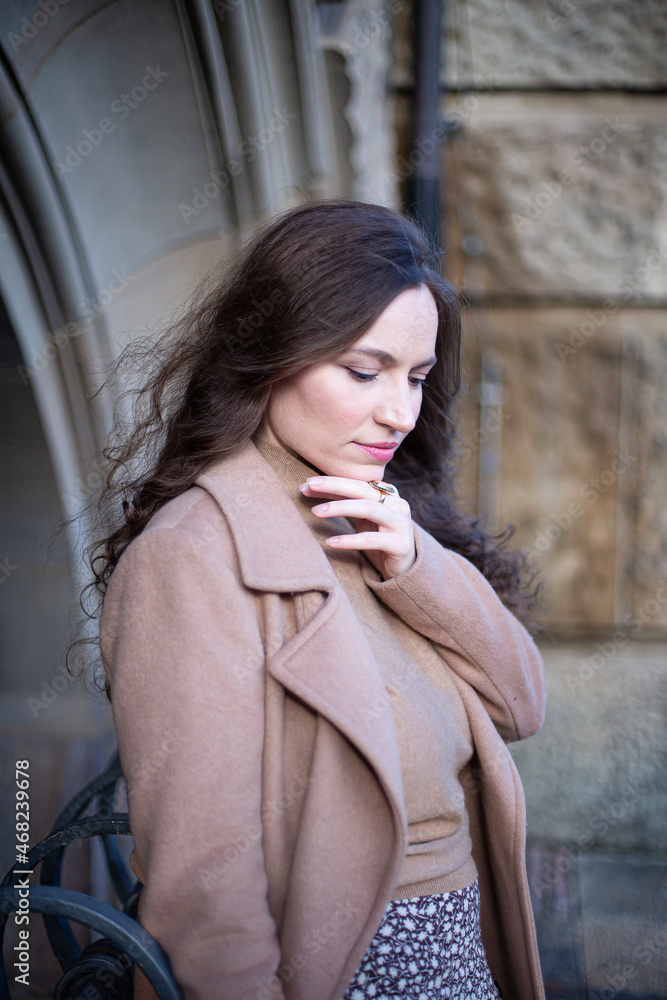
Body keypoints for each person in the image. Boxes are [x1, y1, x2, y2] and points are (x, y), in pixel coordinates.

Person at [89, 199, 547, 1000]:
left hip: (463, 961)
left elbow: (521, 704)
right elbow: (205, 888)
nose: (398, 412)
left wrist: (417, 564)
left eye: (417, 377)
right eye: (364, 372)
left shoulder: (384, 525)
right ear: (270, 356)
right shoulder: (191, 557)